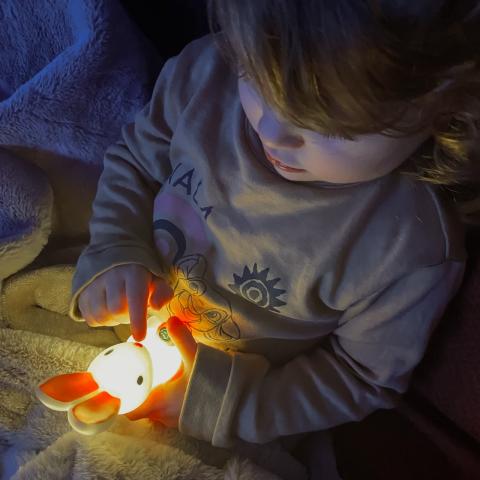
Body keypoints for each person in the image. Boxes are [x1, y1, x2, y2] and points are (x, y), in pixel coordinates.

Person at [69, 0, 479, 469]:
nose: (272, 130)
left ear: (447, 114)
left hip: (234, 412)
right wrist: (115, 249)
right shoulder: (207, 75)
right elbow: (136, 163)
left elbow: (360, 377)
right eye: (257, 80)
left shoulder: (411, 246)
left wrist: (231, 405)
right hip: (126, 334)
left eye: (331, 126)